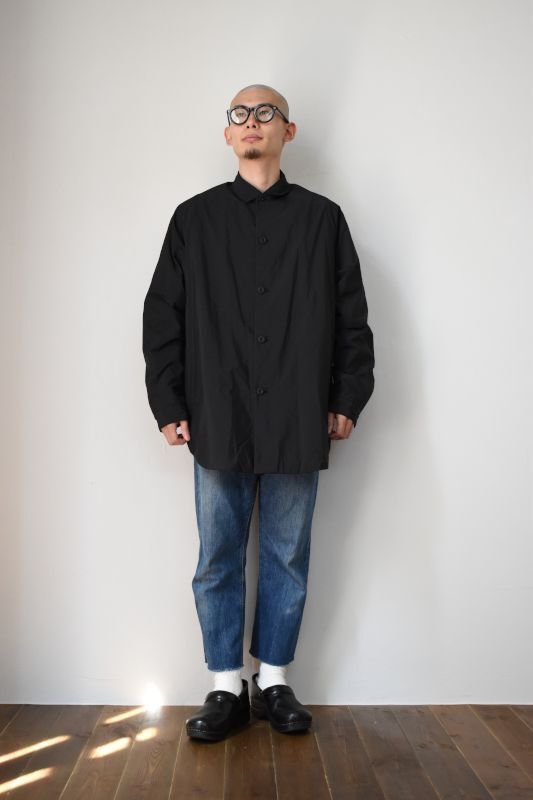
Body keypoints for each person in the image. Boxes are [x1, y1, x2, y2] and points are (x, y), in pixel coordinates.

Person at [142, 84, 375, 741]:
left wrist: (346, 397)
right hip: (216, 416)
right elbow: (162, 317)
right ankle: (225, 687)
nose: (252, 122)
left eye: (265, 113)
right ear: (228, 134)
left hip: (299, 413)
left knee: (286, 556)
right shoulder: (194, 220)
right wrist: (169, 403)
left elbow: (352, 317)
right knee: (217, 557)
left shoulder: (323, 220)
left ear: (287, 131)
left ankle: (273, 680)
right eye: (240, 114)